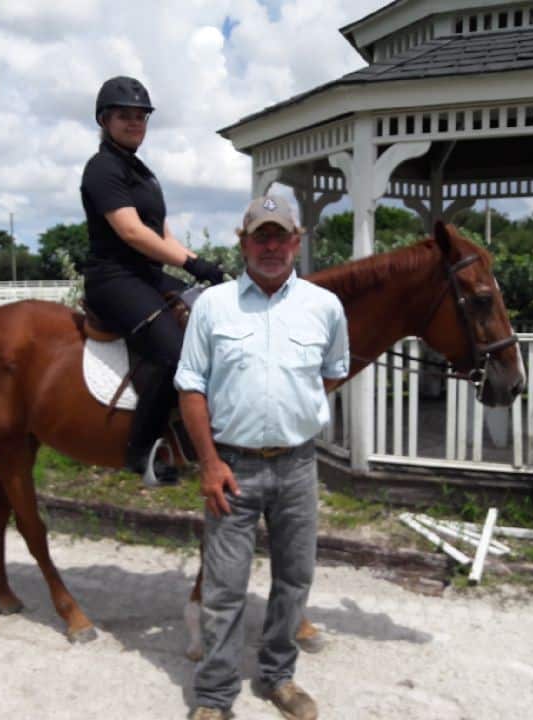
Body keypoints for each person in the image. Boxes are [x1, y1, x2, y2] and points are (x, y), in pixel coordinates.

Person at [174, 195, 349, 720]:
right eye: (261, 236)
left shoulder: (324, 306)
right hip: (232, 467)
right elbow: (190, 387)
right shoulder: (214, 305)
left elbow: (333, 371)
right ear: (243, 242)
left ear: (297, 242)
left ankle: (278, 677)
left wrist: (293, 410)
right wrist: (208, 461)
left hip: (297, 466)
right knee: (225, 589)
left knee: (294, 580)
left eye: (281, 236)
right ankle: (214, 696)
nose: (271, 247)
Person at [80, 76, 224, 483]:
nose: (135, 123)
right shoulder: (102, 168)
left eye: (141, 116)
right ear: (105, 120)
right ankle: (140, 452)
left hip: (147, 274)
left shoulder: (142, 172)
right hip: (114, 279)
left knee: (213, 323)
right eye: (125, 116)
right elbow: (131, 232)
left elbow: (161, 233)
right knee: (176, 356)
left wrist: (207, 265)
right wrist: (190, 267)